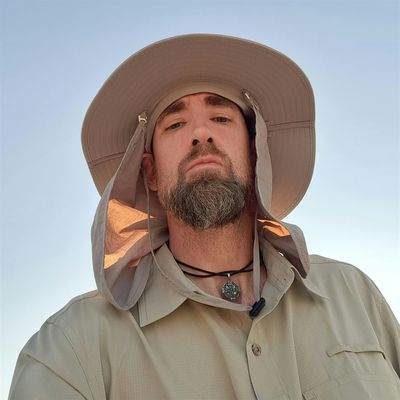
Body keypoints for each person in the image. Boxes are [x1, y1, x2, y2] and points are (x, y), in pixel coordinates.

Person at [9, 34, 400, 399]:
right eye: (176, 124)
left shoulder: (353, 295)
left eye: (222, 118)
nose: (200, 133)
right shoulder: (72, 348)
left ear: (256, 153)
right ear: (150, 174)